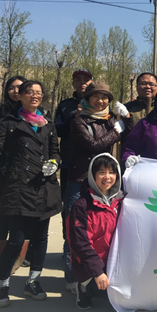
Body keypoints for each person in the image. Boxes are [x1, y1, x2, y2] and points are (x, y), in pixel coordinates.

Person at [0, 81, 62, 308]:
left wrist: (54, 164)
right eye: (29, 92)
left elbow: (55, 153)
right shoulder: (9, 123)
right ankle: (2, 283)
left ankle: (33, 281)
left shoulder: (48, 125)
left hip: (44, 188)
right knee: (16, 240)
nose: (34, 96)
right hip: (19, 189)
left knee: (40, 239)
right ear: (20, 96)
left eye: (38, 93)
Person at [65, 81, 132, 291]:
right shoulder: (79, 121)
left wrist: (127, 119)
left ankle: (101, 274)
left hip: (104, 181)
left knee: (104, 231)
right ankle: (74, 278)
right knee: (76, 230)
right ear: (87, 99)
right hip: (80, 179)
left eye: (104, 98)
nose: (100, 101)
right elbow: (92, 146)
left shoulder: (110, 120)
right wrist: (116, 131)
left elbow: (130, 136)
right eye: (96, 97)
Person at [68, 153, 124, 310]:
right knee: (106, 294)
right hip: (91, 265)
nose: (107, 177)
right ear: (93, 176)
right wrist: (97, 272)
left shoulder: (122, 202)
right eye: (102, 172)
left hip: (115, 261)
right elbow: (80, 244)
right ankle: (84, 287)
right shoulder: (82, 206)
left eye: (111, 172)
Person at [0, 75, 26, 261]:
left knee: (24, 212)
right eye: (12, 88)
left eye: (20, 87)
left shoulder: (34, 113)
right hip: (1, 167)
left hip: (25, 167)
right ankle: (1, 251)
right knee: (3, 211)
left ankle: (21, 253)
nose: (16, 91)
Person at [54, 69, 93, 213]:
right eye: (78, 80)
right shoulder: (65, 105)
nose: (82, 83)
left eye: (86, 80)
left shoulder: (100, 103)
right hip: (70, 161)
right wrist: (75, 116)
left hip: (93, 162)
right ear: (73, 84)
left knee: (92, 205)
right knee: (70, 205)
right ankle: (68, 228)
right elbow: (58, 130)